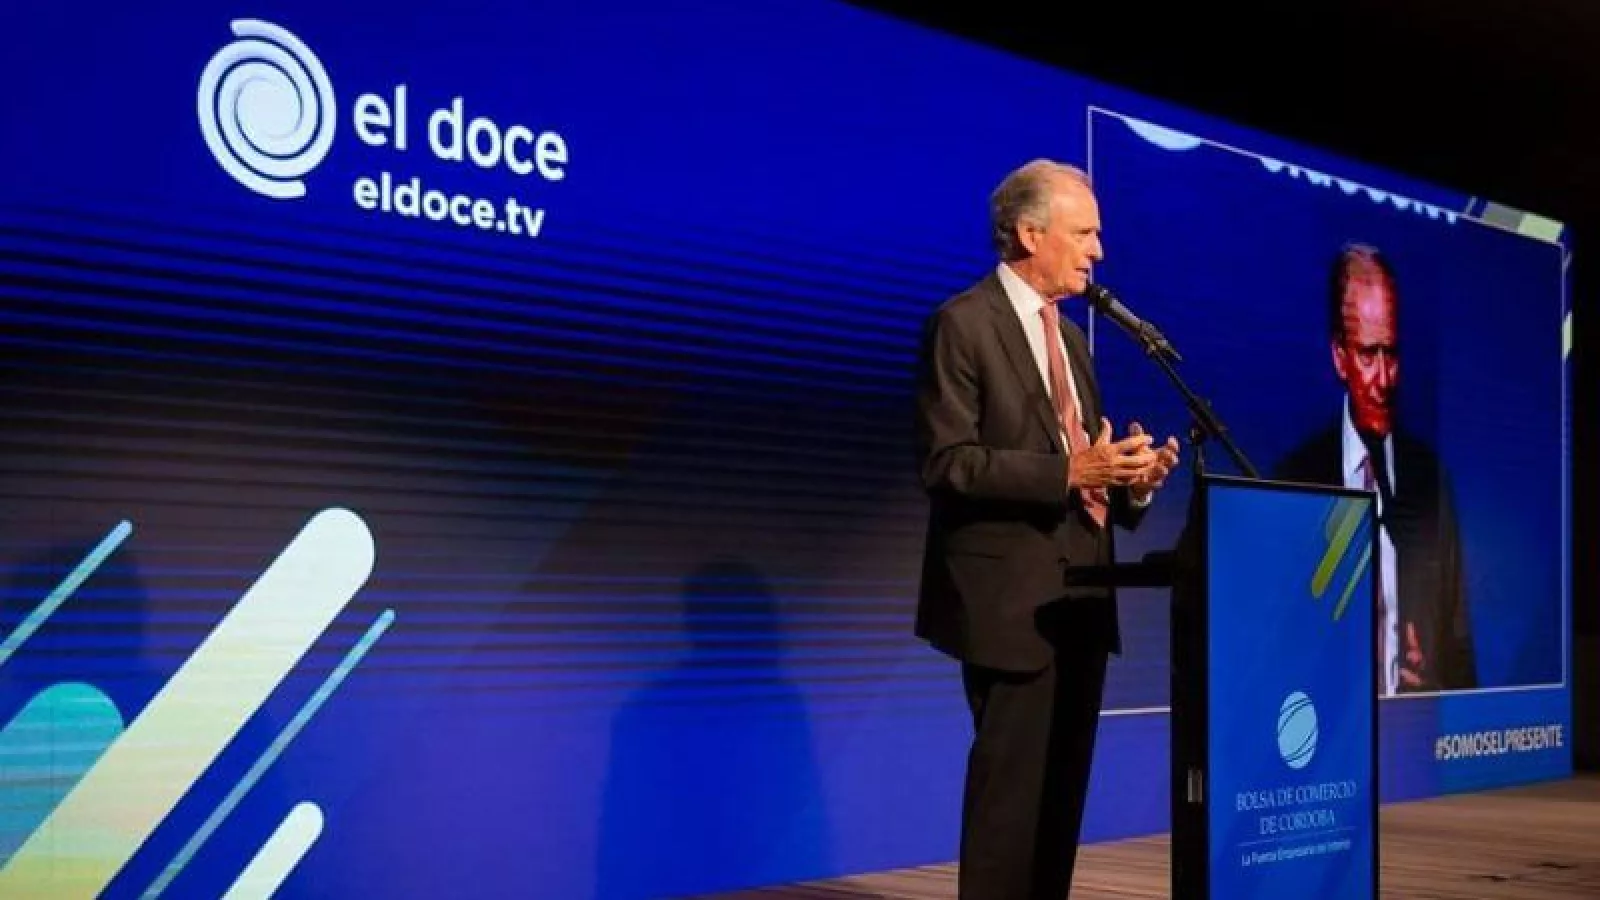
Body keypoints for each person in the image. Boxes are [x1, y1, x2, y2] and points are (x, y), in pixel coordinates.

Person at [913, 159, 1180, 900]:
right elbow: (948, 463)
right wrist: (1071, 471)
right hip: (1010, 605)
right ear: (1031, 234)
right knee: (1010, 810)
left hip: (1082, 603)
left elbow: (1083, 470)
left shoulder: (1073, 340)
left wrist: (1129, 482)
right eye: (1085, 232)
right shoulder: (963, 325)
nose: (1099, 250)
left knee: (1061, 804)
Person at [1273, 242, 1476, 694]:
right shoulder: (1294, 482)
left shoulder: (1429, 480)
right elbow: (1277, 647)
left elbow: (1459, 646)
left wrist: (1434, 686)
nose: (1384, 379)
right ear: (1339, 357)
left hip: (1414, 726)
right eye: (1368, 355)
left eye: (1392, 354)